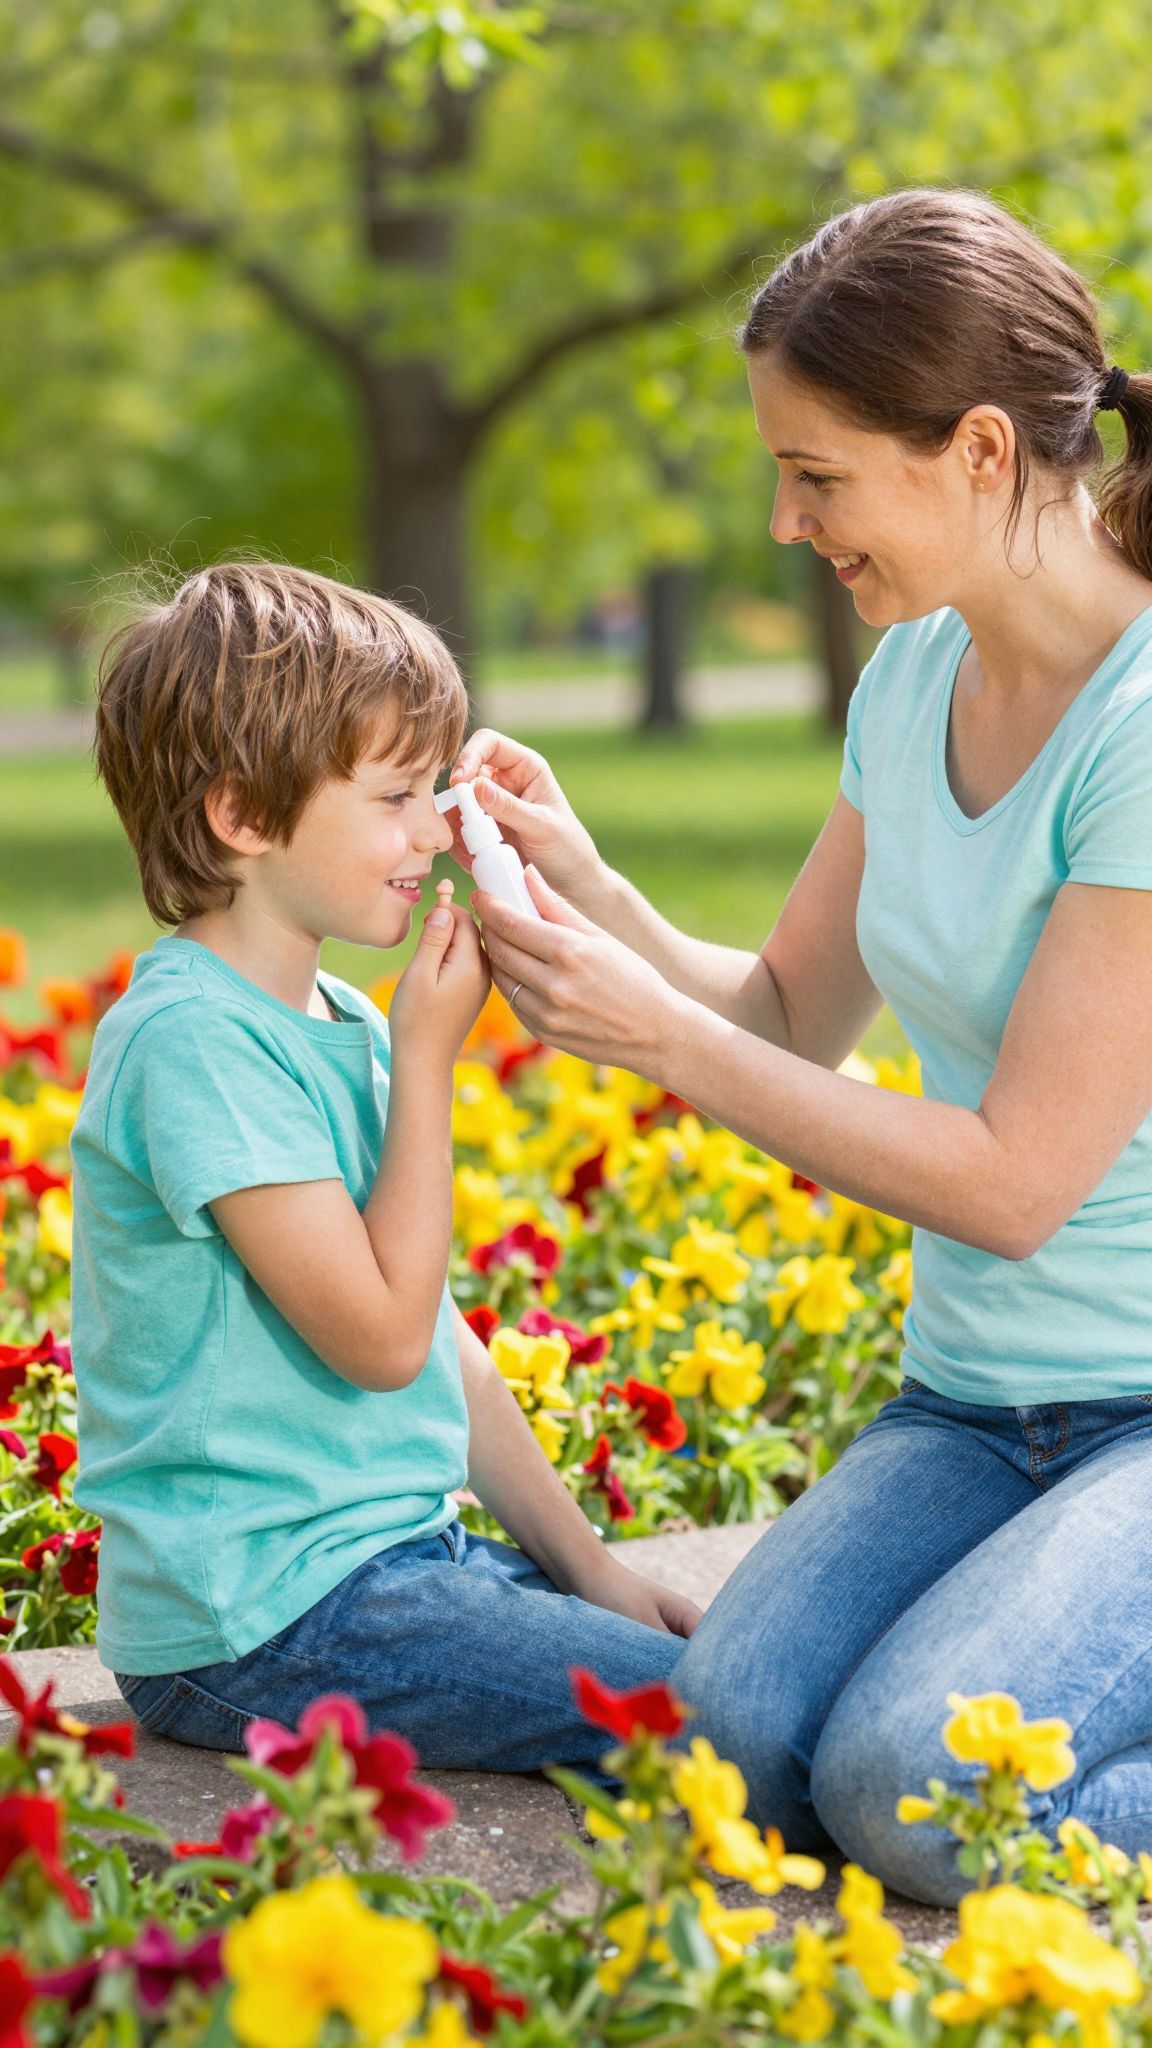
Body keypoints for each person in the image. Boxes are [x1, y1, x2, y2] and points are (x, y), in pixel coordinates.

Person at [450, 186, 1152, 1903]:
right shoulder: (911, 680)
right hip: (975, 1405)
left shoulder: (1137, 729)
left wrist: (660, 1052)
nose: (780, 520)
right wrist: (593, 888)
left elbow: (1009, 1185)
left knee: (915, 1787)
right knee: (723, 1747)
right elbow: (780, 1007)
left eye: (817, 473)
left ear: (978, 450)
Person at [69, 561, 698, 1770]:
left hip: (388, 1570)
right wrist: (428, 1065)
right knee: (724, 1719)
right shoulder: (192, 1041)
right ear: (242, 815)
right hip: (258, 1622)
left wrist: (591, 1567)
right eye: (397, 794)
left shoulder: (335, 1015)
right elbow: (380, 1337)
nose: (438, 832)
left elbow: (442, 1351)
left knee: (749, 1668)